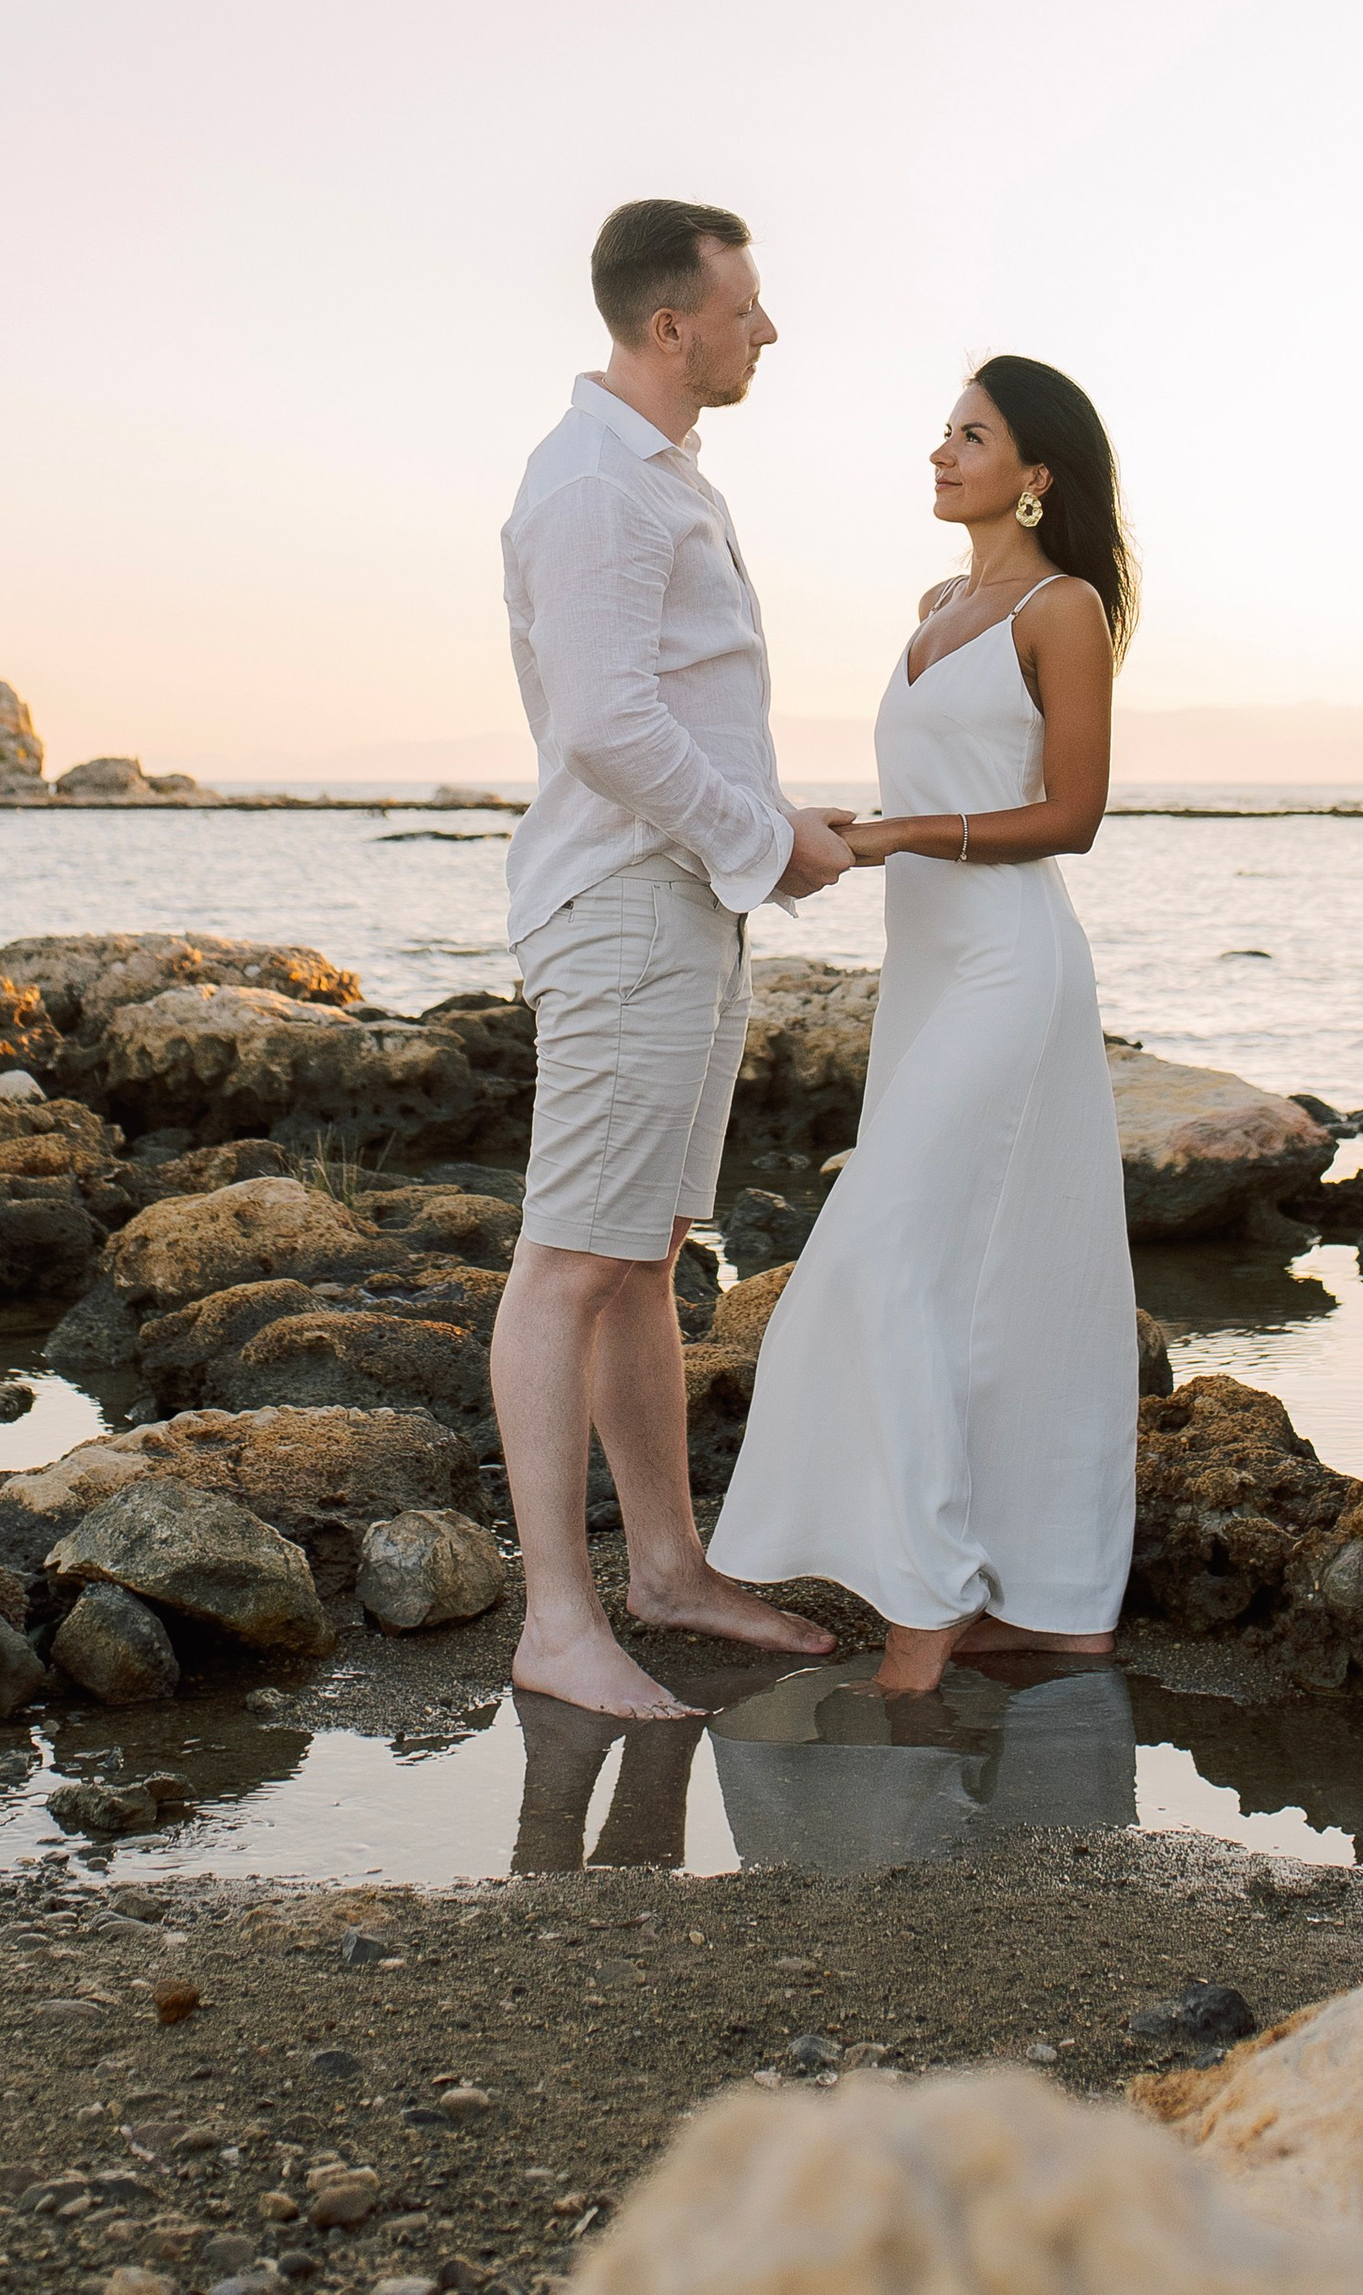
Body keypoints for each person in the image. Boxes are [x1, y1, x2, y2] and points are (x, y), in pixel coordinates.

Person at [708, 353, 1141, 1695]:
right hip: (931, 972)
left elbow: (1071, 814)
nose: (942, 455)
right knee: (1005, 1278)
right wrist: (839, 824)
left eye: (972, 436)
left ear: (1038, 474)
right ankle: (1059, 1599)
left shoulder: (1063, 611)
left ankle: (934, 1599)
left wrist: (890, 838)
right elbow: (942, 779)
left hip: (1011, 967)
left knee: (879, 1254)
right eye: (943, 433)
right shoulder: (938, 603)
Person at [492, 198, 856, 1719]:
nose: (765, 329)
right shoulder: (598, 487)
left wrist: (768, 820)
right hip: (631, 906)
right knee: (571, 1257)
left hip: (680, 899)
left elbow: (673, 717)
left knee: (639, 1254)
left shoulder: (659, 477)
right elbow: (605, 726)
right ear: (669, 326)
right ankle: (559, 1624)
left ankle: (668, 1568)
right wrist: (765, 844)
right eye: (746, 306)